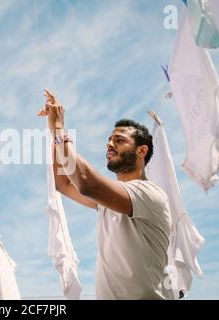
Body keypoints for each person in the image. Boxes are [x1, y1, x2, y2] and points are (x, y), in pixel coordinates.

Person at [38, 89, 174, 300]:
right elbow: (63, 183)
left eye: (119, 140)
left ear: (142, 151)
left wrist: (59, 127)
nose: (110, 144)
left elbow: (85, 182)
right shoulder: (107, 203)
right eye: (109, 140)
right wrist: (53, 133)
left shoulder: (149, 194)